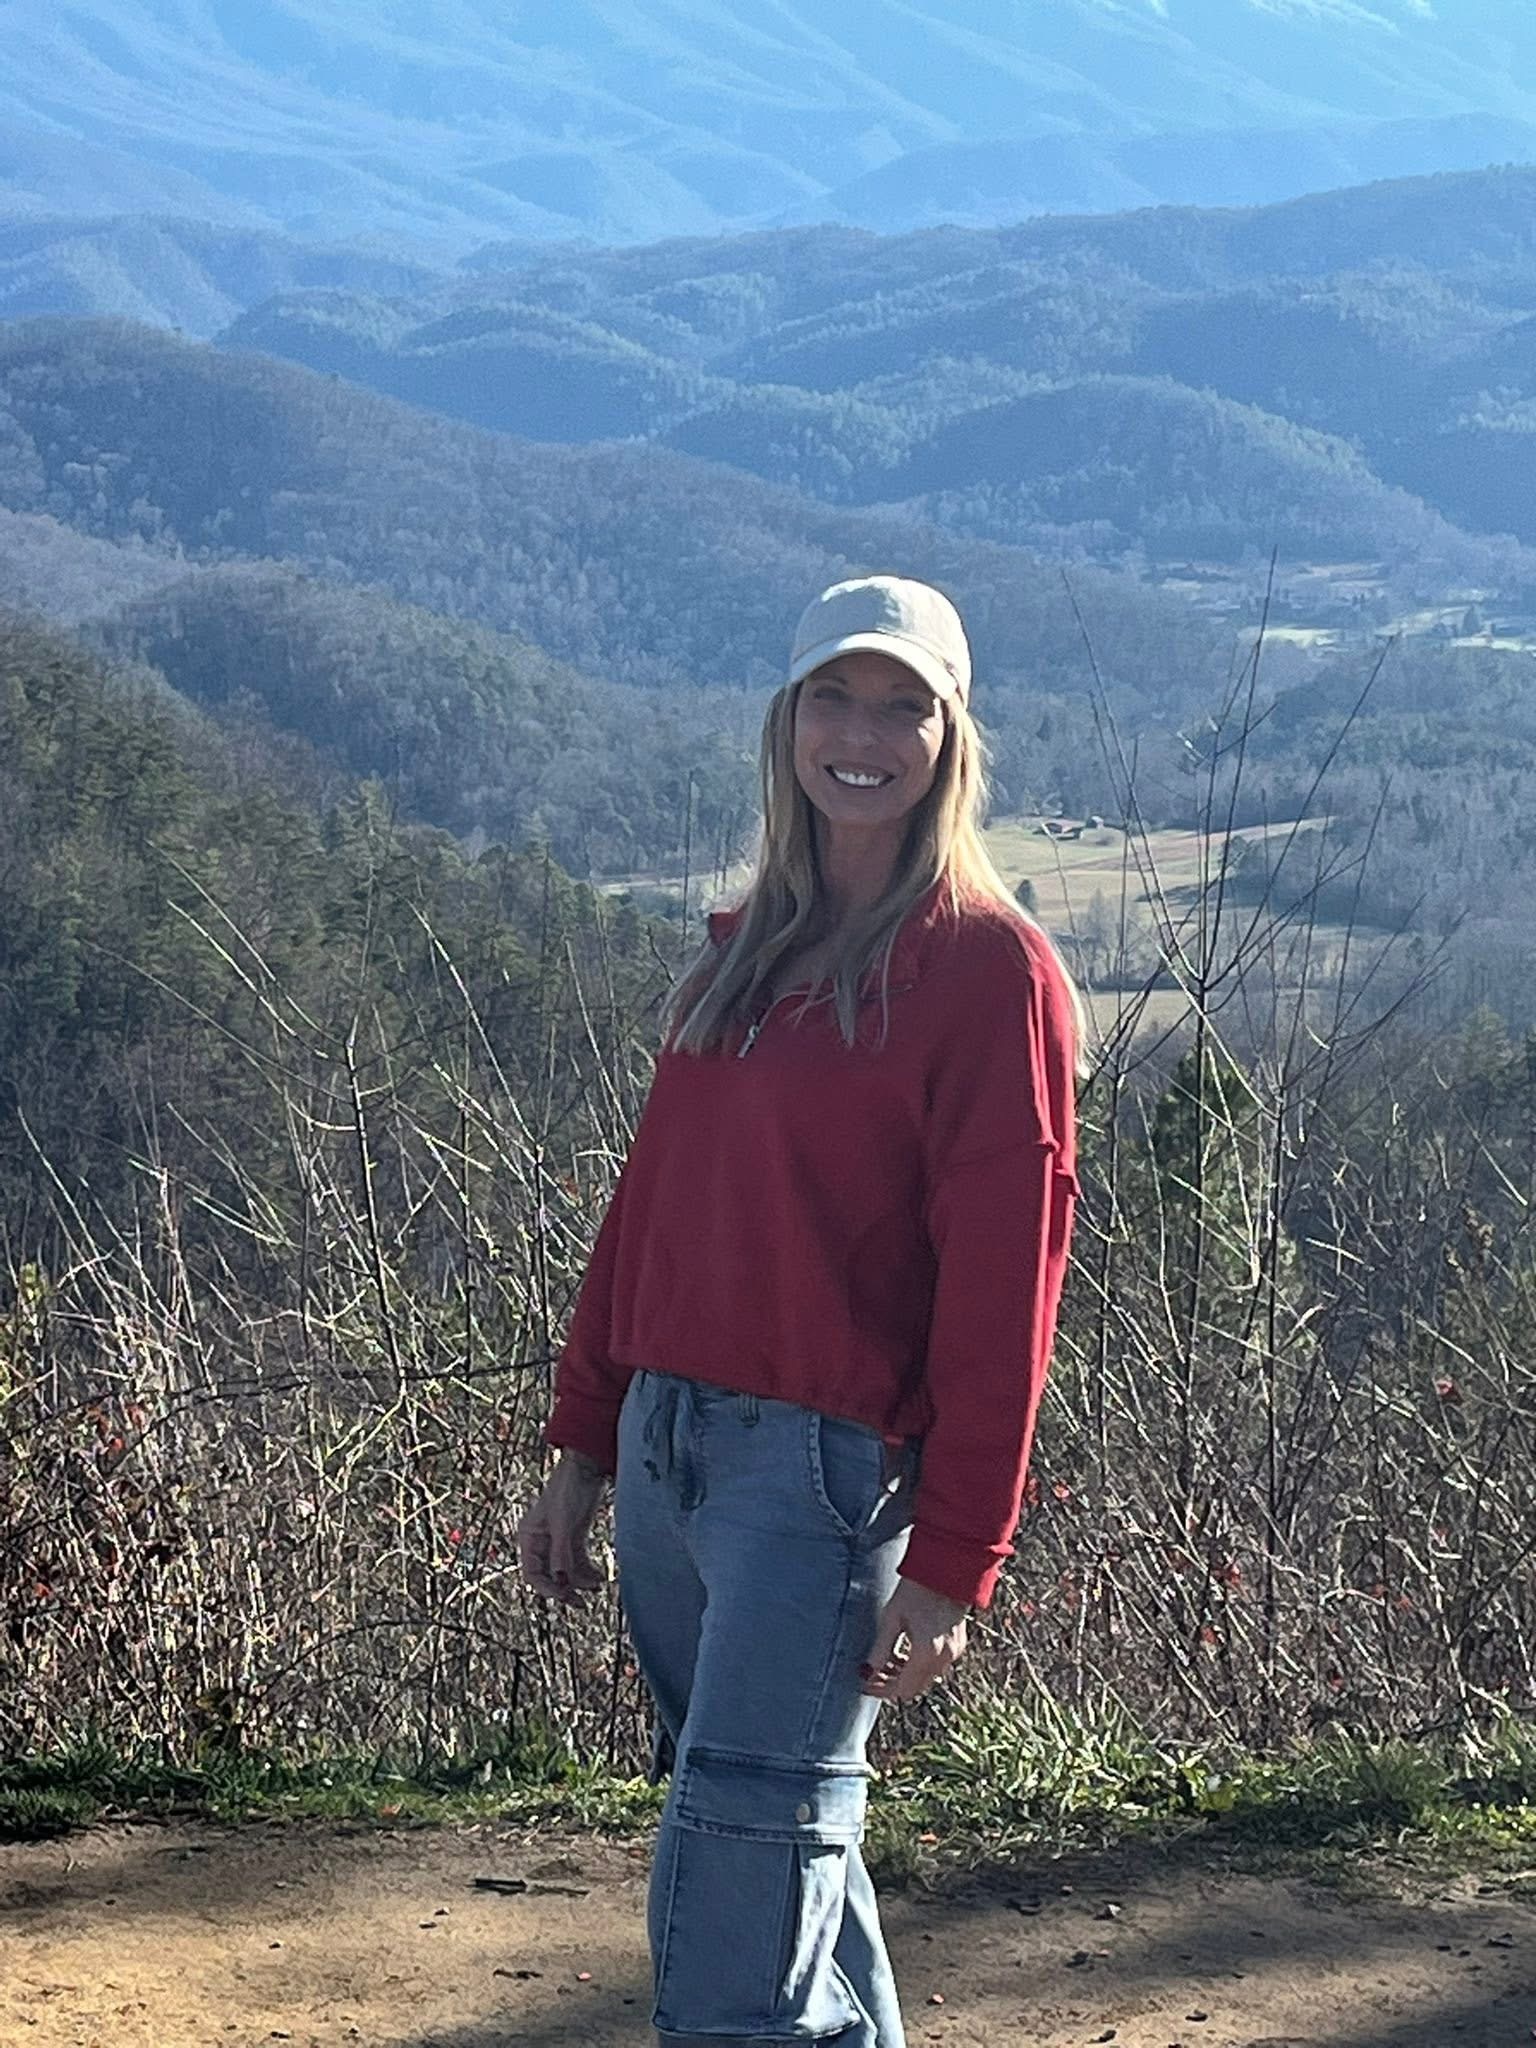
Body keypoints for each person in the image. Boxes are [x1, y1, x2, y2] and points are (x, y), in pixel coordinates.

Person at [515, 573, 1081, 2048]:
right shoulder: (751, 946)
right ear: (787, 721)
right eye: (836, 695)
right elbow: (651, 1208)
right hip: (672, 1450)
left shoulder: (987, 972)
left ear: (952, 739)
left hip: (816, 1488)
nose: (865, 733)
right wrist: (585, 1437)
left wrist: (959, 1553)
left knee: (732, 1923)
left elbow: (1003, 1292)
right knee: (780, 1877)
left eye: (906, 706)